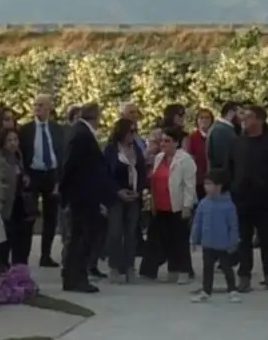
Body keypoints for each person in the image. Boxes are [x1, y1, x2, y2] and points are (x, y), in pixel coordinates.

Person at [231, 103, 268, 292]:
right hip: (241, 198)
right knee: (243, 239)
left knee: (266, 238)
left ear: (260, 120)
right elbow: (229, 167)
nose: (244, 120)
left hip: (265, 198)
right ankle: (244, 276)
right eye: (243, 117)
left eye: (248, 117)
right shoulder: (238, 142)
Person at [58, 103, 113, 293]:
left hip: (83, 194)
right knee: (80, 237)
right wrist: (65, 193)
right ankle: (75, 277)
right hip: (82, 195)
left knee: (80, 236)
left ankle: (75, 275)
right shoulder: (81, 135)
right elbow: (70, 165)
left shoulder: (78, 132)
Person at [142, 125, 198, 283]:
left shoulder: (185, 160)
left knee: (179, 240)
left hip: (177, 206)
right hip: (159, 206)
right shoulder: (159, 158)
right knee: (155, 238)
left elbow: (189, 185)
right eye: (162, 141)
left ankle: (182, 271)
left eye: (167, 141)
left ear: (176, 143)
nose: (163, 144)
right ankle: (149, 272)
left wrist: (187, 206)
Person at [17, 94, 67, 269]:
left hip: (51, 174)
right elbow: (20, 153)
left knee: (51, 216)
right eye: (35, 105)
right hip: (33, 174)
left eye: (41, 105)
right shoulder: (25, 130)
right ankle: (23, 255)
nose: (37, 108)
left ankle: (45, 255)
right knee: (29, 216)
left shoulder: (58, 129)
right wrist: (24, 173)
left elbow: (61, 153)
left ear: (48, 108)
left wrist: (59, 177)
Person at [102, 118, 148, 283]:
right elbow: (106, 175)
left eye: (135, 132)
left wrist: (140, 190)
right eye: (130, 132)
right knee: (115, 231)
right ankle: (114, 266)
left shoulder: (136, 149)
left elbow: (142, 171)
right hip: (116, 196)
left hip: (134, 195)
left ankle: (129, 266)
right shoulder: (111, 150)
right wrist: (117, 191)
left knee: (131, 232)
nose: (132, 135)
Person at [190, 170, 242, 303]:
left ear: (219, 186)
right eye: (206, 184)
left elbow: (233, 226)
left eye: (210, 184)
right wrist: (194, 239)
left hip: (223, 244)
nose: (207, 187)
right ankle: (206, 291)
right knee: (207, 268)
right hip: (208, 243)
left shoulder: (228, 206)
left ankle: (232, 290)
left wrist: (233, 242)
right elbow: (197, 222)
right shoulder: (203, 204)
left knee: (226, 268)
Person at [0, 128, 27, 268]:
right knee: (2, 238)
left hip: (17, 201)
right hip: (3, 203)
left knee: (16, 237)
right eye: (9, 140)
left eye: (15, 140)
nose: (13, 143)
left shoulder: (17, 156)